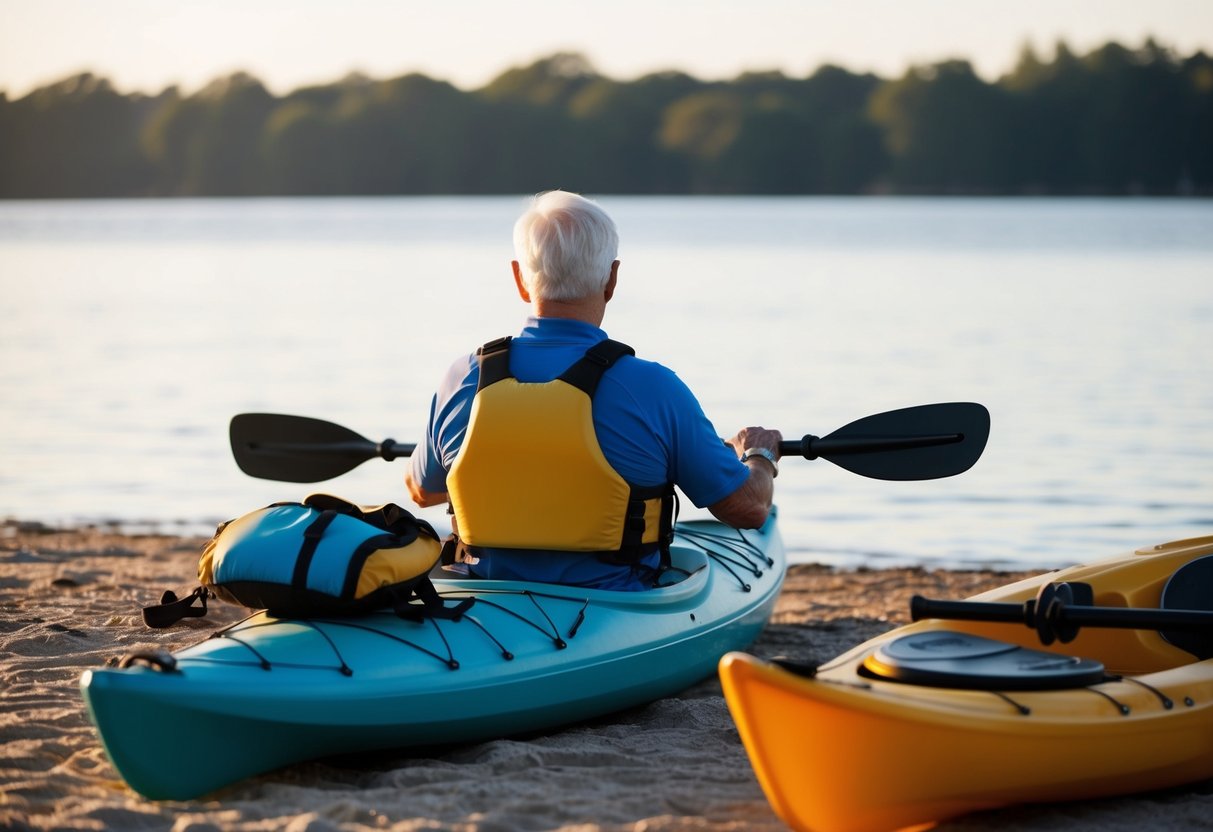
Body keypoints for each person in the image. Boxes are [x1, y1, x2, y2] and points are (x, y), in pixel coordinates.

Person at [406, 190, 781, 590]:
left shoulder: (462, 377)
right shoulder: (653, 387)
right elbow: (748, 508)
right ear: (612, 278)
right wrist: (759, 456)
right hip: (615, 603)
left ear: (519, 278)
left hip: (487, 601)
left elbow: (423, 491)